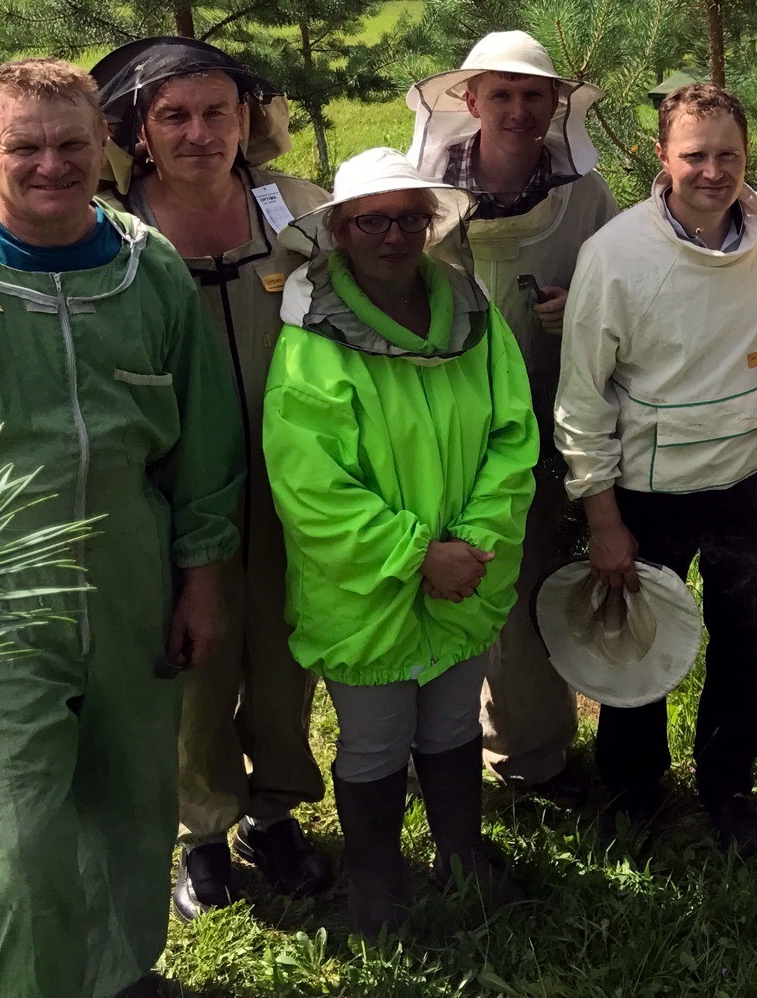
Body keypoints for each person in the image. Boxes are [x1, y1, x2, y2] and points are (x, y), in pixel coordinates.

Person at [0, 59, 242, 998]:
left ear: (105, 148)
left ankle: (113, 977)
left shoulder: (149, 268)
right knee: (14, 844)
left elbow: (206, 438)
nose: (50, 164)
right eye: (24, 146)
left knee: (128, 812)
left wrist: (203, 576)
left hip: (133, 585)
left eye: (70, 144)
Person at [263, 148, 538, 936]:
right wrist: (420, 555)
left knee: (452, 724)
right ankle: (376, 882)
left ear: (431, 224)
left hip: (466, 572)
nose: (393, 235)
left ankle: (462, 855)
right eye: (372, 220)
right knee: (377, 738)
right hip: (365, 588)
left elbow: (513, 438)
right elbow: (312, 485)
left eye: (410, 218)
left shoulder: (472, 315)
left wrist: (472, 546)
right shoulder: (311, 341)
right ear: (342, 231)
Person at [89, 37, 334, 920]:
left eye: (216, 111)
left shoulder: (297, 212)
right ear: (138, 133)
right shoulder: (104, 228)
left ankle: (271, 811)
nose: (200, 133)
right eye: (175, 117)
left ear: (246, 118)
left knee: (281, 650)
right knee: (191, 662)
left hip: (293, 486)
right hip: (166, 494)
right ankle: (198, 829)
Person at [554, 82, 757, 854]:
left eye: (728, 155)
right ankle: (630, 788)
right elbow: (582, 396)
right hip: (649, 492)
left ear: (748, 156)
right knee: (638, 641)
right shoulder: (614, 255)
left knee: (741, 639)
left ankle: (727, 786)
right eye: (695, 155)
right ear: (661, 157)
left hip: (750, 479)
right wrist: (602, 518)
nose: (713, 171)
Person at [406, 32, 618, 808]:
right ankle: (404, 756)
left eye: (534, 96)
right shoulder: (418, 193)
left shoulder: (586, 197)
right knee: (420, 580)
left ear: (556, 105)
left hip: (538, 422)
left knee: (523, 582)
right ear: (469, 101)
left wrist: (581, 313)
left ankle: (531, 752)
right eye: (502, 94)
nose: (519, 110)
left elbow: (619, 297)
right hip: (428, 425)